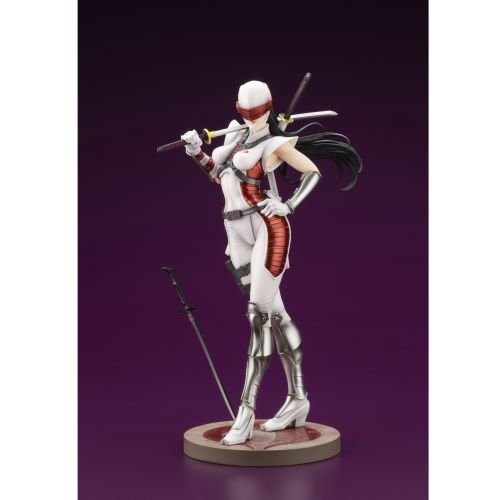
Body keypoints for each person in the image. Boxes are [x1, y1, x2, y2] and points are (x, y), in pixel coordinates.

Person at [180, 80, 362, 446]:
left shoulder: (274, 144)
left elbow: (312, 172)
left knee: (258, 316)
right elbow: (220, 178)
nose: (252, 118)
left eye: (257, 112)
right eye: (245, 113)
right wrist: (197, 152)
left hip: (267, 227)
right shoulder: (235, 137)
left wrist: (289, 204)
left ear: (269, 108)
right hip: (235, 233)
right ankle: (298, 400)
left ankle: (245, 413)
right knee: (277, 316)